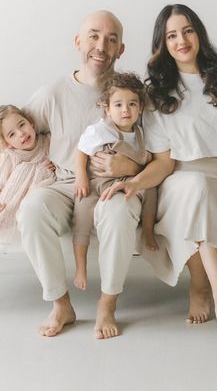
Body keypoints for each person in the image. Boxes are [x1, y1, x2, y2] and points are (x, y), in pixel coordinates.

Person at [0, 11, 142, 339]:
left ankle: (107, 304)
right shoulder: (52, 94)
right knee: (32, 210)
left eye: (111, 39)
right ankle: (60, 304)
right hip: (64, 184)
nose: (102, 45)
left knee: (117, 213)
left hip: (115, 185)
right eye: (94, 36)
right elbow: (10, 140)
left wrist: (131, 169)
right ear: (78, 42)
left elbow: (156, 151)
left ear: (121, 49)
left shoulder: (129, 94)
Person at [102, 4, 217, 330]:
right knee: (196, 187)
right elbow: (164, 163)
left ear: (199, 33)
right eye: (171, 35)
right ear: (162, 44)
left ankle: (200, 285)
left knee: (205, 191)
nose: (181, 40)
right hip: (180, 179)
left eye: (187, 30)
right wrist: (137, 183)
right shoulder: (156, 93)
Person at [72, 72, 158, 291]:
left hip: (124, 181)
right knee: (81, 214)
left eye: (132, 104)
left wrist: (144, 161)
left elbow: (145, 157)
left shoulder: (140, 133)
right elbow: (80, 153)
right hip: (97, 182)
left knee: (152, 189)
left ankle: (148, 230)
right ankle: (80, 266)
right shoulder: (99, 131)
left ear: (140, 108)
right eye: (118, 105)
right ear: (107, 108)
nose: (125, 110)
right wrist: (81, 178)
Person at [0, 105, 54, 244]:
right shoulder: (6, 156)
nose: (21, 134)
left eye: (22, 125)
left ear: (30, 122)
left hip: (38, 202)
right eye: (12, 134)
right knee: (23, 170)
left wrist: (46, 171)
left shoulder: (48, 143)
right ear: (7, 143)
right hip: (11, 201)